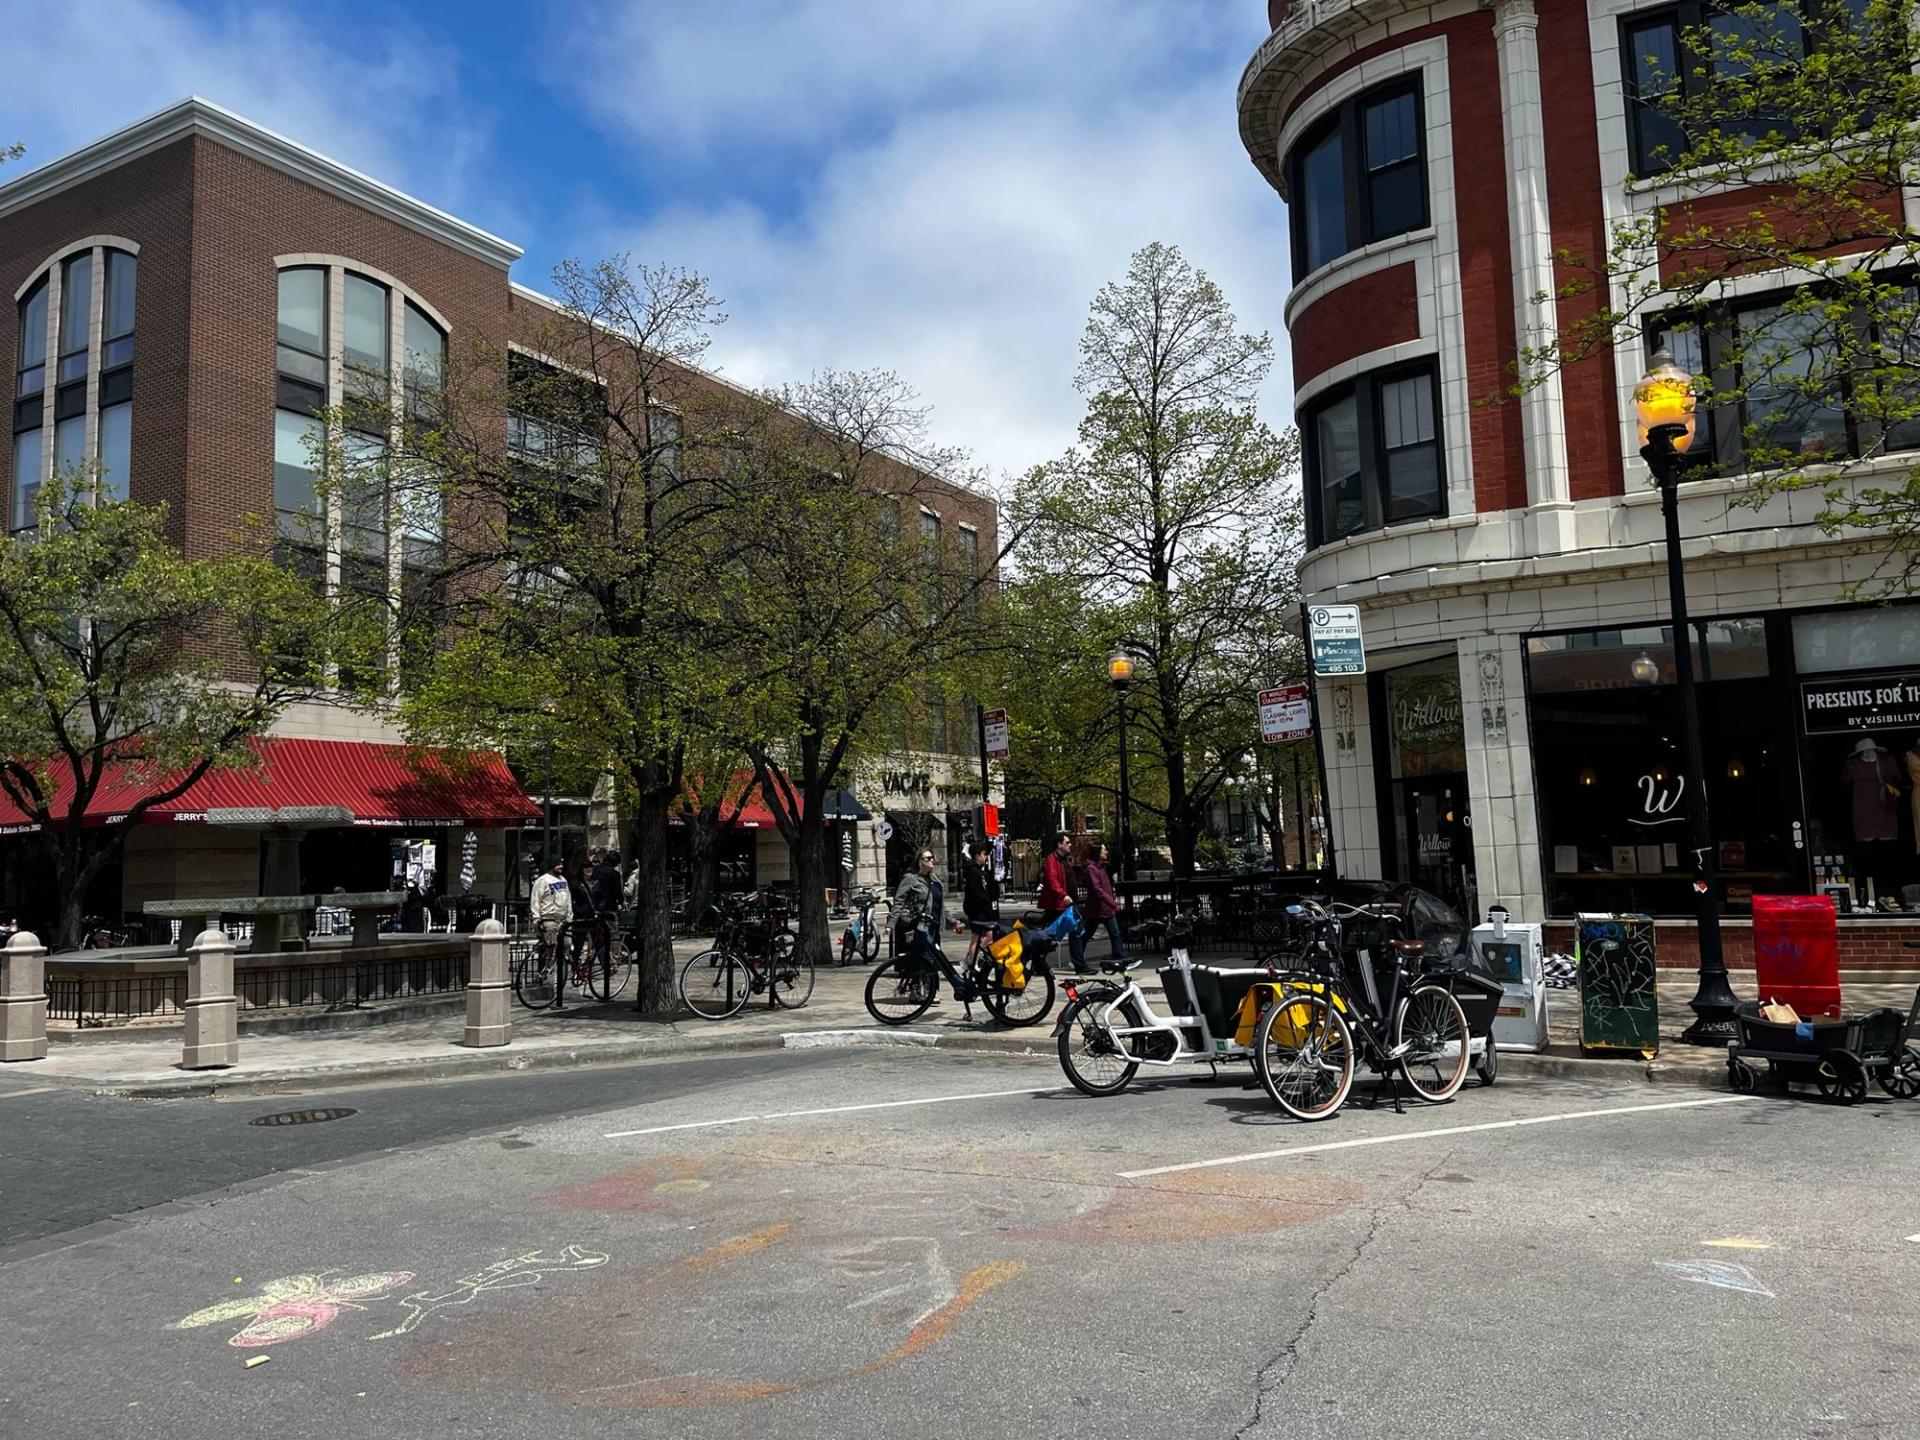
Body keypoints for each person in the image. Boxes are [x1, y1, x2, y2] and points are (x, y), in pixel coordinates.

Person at [1038, 831, 1088, 973]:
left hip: (1066, 903)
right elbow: (1052, 880)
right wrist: (1063, 895)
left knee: (1074, 932)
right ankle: (1037, 962)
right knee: (1051, 936)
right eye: (1067, 842)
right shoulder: (1051, 860)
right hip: (1057, 904)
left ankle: (1079, 965)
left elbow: (1069, 877)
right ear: (1059, 844)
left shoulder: (1065, 860)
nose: (1070, 845)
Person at [1081, 840, 1128, 965]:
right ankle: (1078, 957)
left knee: (1114, 933)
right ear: (1097, 853)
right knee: (1088, 933)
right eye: (1104, 850)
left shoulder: (1101, 867)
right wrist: (1112, 903)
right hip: (1097, 908)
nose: (1106, 852)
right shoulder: (1092, 869)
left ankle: (1120, 955)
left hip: (1105, 908)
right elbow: (1098, 890)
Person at [893, 849, 939, 960]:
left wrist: (952, 921)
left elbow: (939, 903)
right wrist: (891, 924)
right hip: (919, 925)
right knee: (924, 959)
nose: (932, 860)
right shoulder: (910, 878)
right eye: (928, 858)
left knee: (933, 960)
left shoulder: (934, 879)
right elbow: (899, 901)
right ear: (920, 862)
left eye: (932, 858)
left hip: (933, 925)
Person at [530, 859, 573, 969]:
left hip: (564, 919)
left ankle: (561, 971)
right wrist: (536, 918)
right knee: (551, 947)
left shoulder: (563, 880)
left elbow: (568, 899)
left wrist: (569, 915)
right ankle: (546, 970)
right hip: (549, 918)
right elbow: (535, 900)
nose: (561, 866)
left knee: (567, 945)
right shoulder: (542, 880)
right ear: (552, 865)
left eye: (561, 864)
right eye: (558, 864)